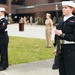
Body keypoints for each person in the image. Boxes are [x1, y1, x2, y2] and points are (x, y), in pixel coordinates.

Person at [53, 1, 75, 75]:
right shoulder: (61, 21)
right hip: (61, 49)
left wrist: (62, 35)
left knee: (70, 72)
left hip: (71, 49)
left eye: (66, 7)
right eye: (63, 7)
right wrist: (56, 46)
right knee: (62, 72)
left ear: (72, 9)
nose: (63, 9)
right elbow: (57, 36)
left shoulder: (74, 21)